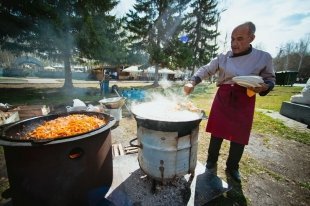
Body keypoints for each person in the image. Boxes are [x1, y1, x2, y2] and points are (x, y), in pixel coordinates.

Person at [184, 21, 275, 183]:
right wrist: (193, 81)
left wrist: (264, 87)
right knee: (217, 132)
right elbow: (206, 69)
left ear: (251, 38)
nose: (234, 43)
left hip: (245, 98)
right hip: (224, 96)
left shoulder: (263, 57)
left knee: (239, 136)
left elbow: (270, 79)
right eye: (232, 39)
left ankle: (232, 167)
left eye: (239, 39)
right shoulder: (223, 57)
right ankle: (211, 162)